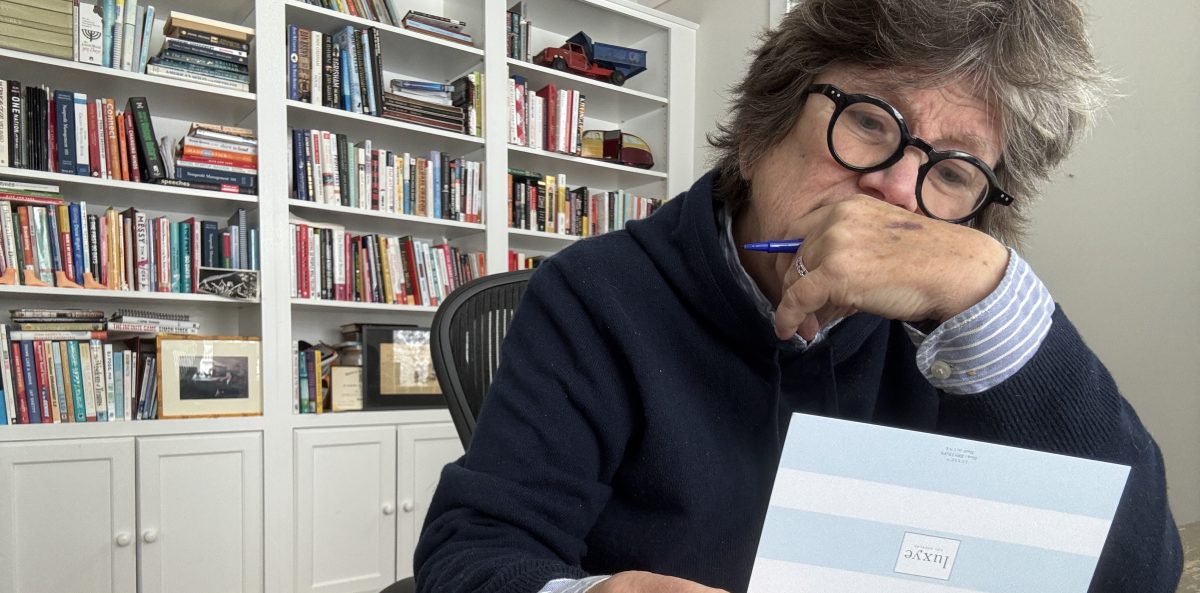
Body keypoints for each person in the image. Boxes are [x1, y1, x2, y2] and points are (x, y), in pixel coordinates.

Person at [413, 0, 1184, 591]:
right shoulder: (594, 295)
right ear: (761, 128)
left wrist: (992, 293)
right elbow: (470, 553)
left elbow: (1138, 572)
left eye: (953, 171)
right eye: (871, 122)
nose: (895, 190)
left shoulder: (960, 327)